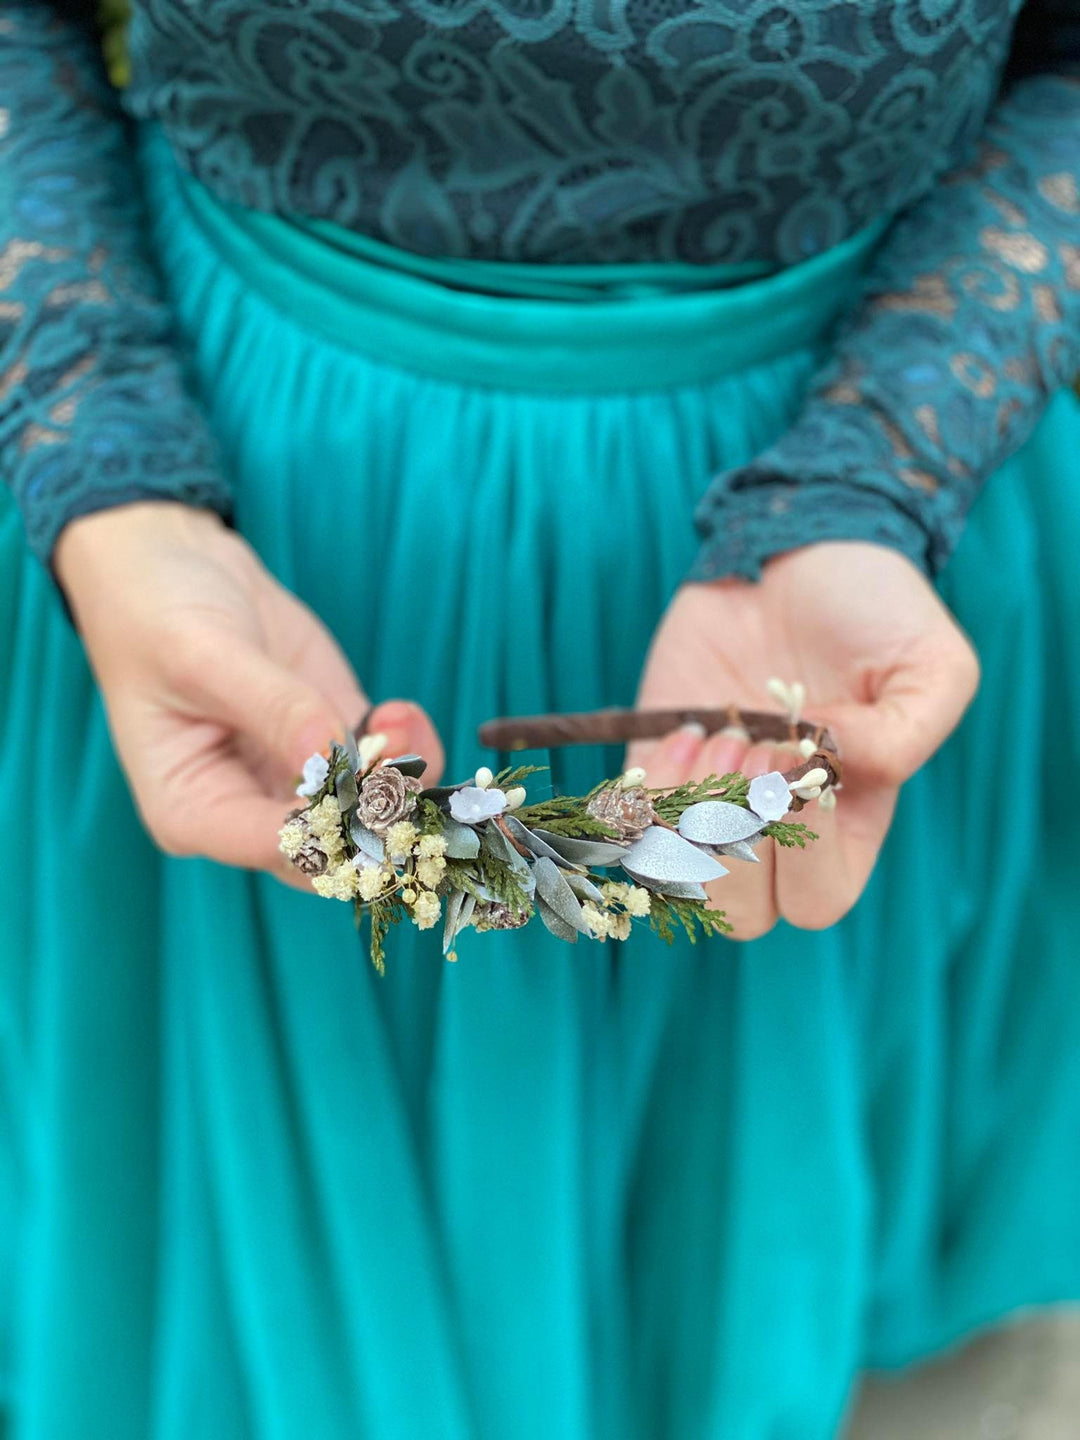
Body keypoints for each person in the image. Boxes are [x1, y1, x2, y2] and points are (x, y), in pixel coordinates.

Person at [1, 1, 1078, 1436]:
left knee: (740, 1162)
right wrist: (96, 449)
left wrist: (883, 462)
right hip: (226, 529)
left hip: (862, 528)